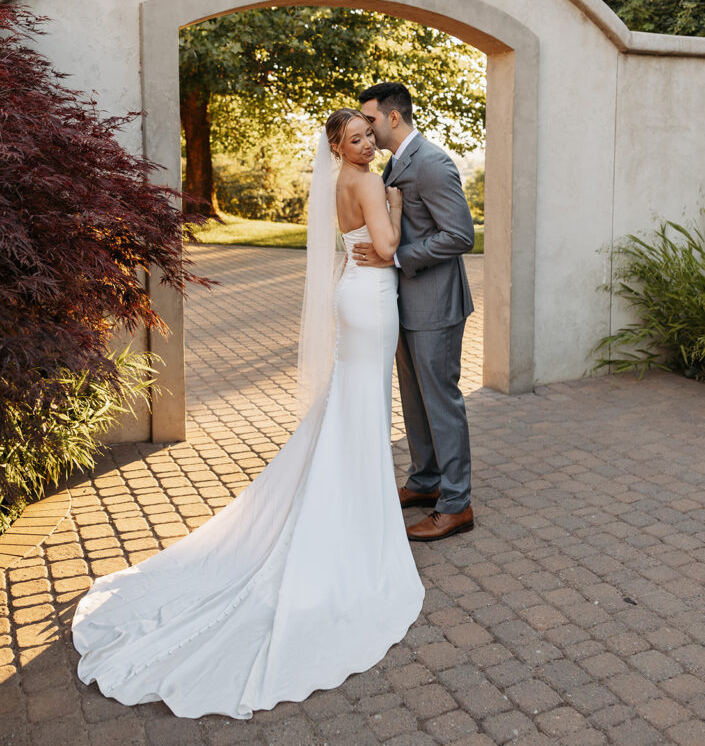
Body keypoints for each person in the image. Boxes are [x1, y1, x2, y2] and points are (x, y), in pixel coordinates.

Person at [71, 108, 424, 720]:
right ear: (338, 147)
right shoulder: (369, 183)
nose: (368, 146)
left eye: (370, 137)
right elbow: (387, 247)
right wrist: (392, 204)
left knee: (353, 404)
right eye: (356, 139)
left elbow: (356, 243)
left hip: (355, 295)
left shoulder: (340, 183)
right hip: (371, 298)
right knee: (362, 405)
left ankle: (346, 497)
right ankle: (351, 520)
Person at [355, 82, 475, 542]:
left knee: (441, 401)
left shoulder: (431, 163)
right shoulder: (395, 163)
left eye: (369, 120)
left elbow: (460, 235)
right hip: (404, 304)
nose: (365, 128)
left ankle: (456, 504)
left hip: (436, 304)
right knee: (415, 399)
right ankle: (426, 481)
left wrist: (398, 258)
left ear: (392, 118)